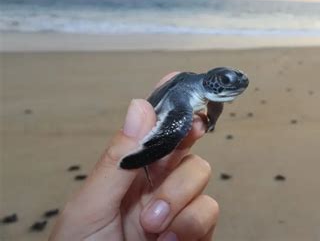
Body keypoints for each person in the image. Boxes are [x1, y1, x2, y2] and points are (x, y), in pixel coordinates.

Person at [50, 73, 219, 241]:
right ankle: (146, 154)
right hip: (166, 108)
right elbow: (177, 126)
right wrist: (140, 157)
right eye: (225, 80)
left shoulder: (213, 95)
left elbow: (216, 101)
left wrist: (212, 119)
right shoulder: (185, 92)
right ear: (210, 80)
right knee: (178, 128)